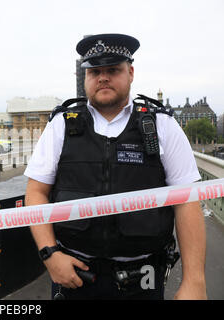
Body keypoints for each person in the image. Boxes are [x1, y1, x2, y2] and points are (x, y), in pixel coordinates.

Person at [24, 34, 207, 300]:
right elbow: (36, 193)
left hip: (142, 278)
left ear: (130, 73)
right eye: (95, 71)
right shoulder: (61, 126)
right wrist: (50, 255)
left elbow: (187, 201)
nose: (103, 77)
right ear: (85, 77)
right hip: (74, 274)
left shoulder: (162, 126)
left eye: (113, 70)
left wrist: (194, 280)